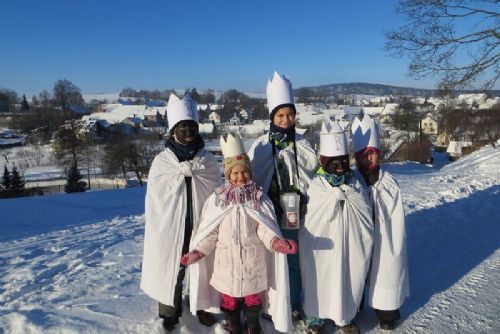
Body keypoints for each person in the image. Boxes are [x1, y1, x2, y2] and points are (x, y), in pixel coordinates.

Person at [181, 133, 296, 334]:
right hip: (227, 264)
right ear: (227, 175)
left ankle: (253, 325)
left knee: (253, 298)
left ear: (250, 173)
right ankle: (233, 324)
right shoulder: (218, 200)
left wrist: (277, 243)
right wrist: (198, 252)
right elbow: (210, 231)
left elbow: (264, 228)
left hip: (252, 262)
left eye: (244, 173)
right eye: (235, 173)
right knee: (230, 299)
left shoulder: (259, 199)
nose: (240, 177)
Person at [140, 93, 220, 331]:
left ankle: (205, 307)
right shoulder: (162, 162)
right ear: (172, 131)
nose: (187, 133)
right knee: (172, 266)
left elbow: (216, 193)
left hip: (201, 223)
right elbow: (156, 200)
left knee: (206, 266)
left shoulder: (207, 160)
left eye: (191, 128)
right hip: (171, 225)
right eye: (181, 128)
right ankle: (169, 309)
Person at [247, 71, 317, 320]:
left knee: (295, 258)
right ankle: (272, 305)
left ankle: (295, 301)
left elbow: (314, 173)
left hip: (297, 209)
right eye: (280, 115)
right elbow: (252, 176)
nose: (286, 119)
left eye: (290, 114)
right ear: (272, 117)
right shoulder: (262, 145)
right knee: (271, 260)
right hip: (270, 210)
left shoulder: (304, 143)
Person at [299, 119, 374, 334]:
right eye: (334, 160)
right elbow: (312, 215)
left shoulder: (355, 183)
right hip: (322, 245)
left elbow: (364, 214)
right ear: (323, 161)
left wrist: (346, 196)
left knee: (348, 276)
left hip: (350, 242)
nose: (340, 165)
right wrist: (335, 196)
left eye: (343, 160)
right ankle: (316, 317)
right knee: (318, 277)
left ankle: (344, 316)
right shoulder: (315, 185)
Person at [351, 113, 410, 330]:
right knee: (355, 269)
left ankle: (387, 312)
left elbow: (394, 215)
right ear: (357, 157)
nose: (369, 159)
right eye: (363, 155)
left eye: (372, 154)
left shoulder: (389, 183)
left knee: (385, 269)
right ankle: (353, 306)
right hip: (359, 235)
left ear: (379, 155)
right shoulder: (353, 179)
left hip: (383, 235)